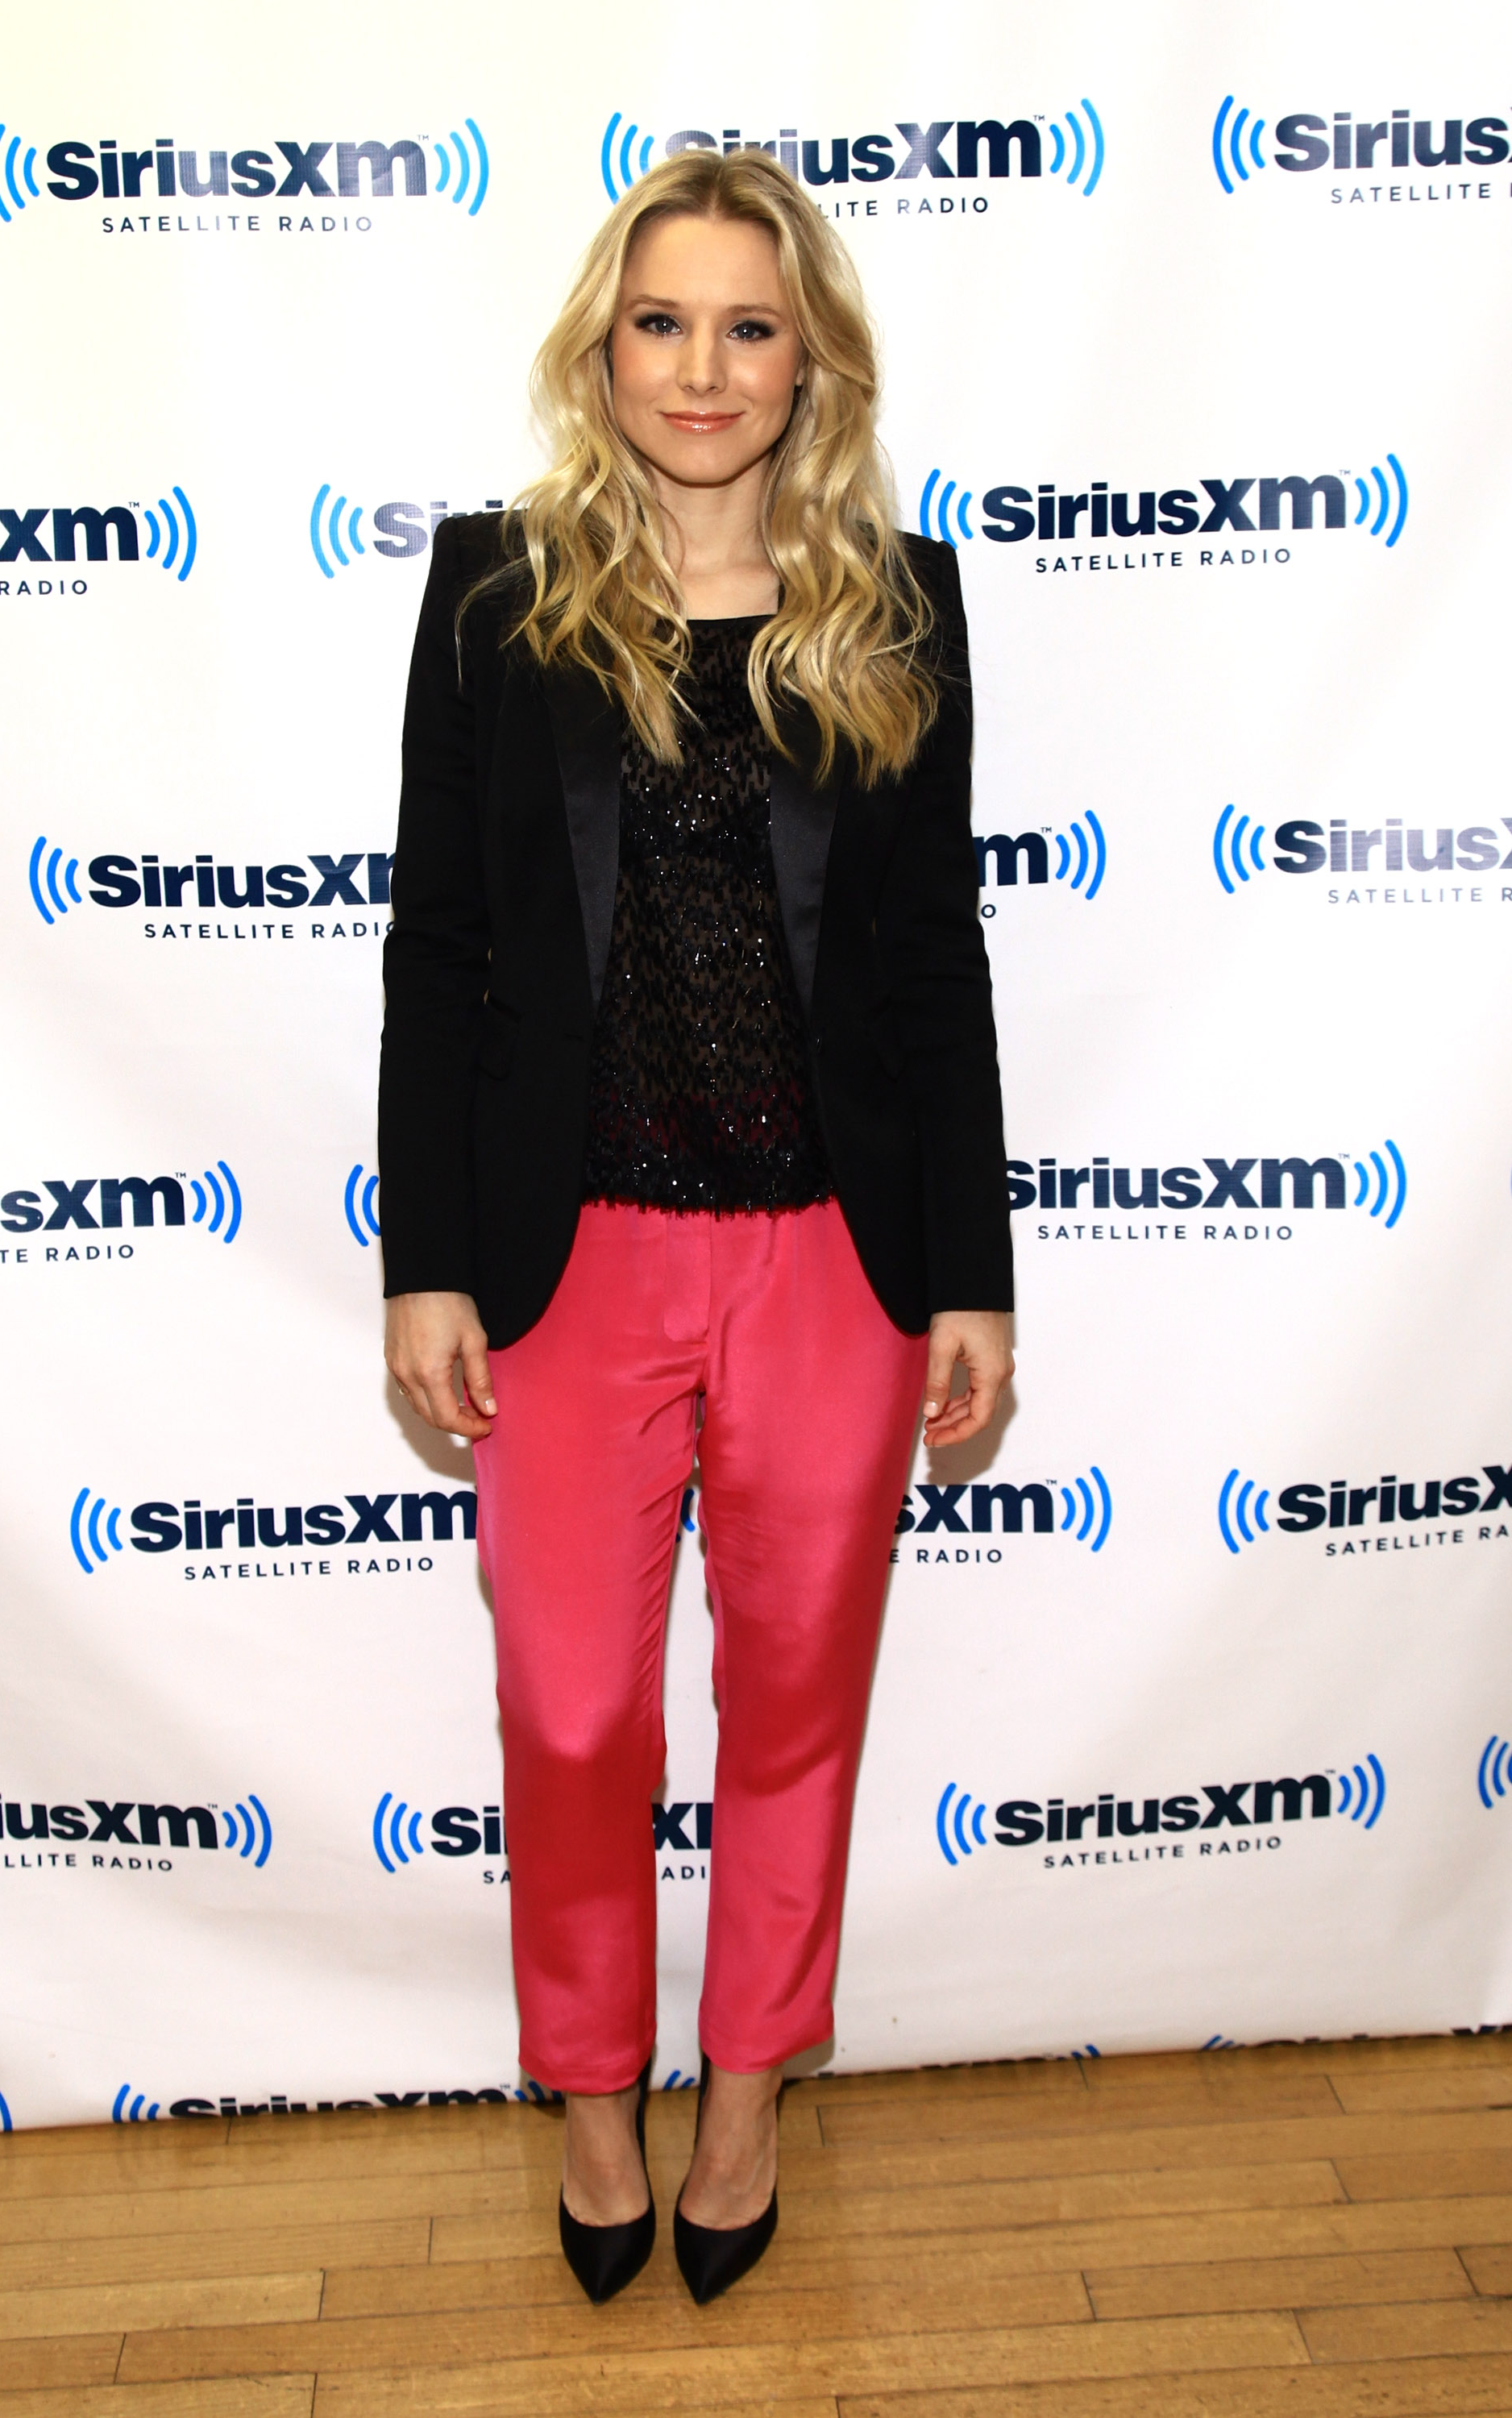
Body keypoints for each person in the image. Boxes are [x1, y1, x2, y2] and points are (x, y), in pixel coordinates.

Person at [377, 147, 1013, 2307]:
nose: (705, 368)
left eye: (752, 326)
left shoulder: (897, 605)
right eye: (664, 322)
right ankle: (592, 2095)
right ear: (605, 345)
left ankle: (745, 2098)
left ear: (809, 360)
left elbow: (933, 960)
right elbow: (439, 945)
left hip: (833, 1255)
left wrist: (970, 1274)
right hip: (567, 1259)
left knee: (799, 1704)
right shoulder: (495, 593)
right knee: (572, 1716)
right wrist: (428, 1257)